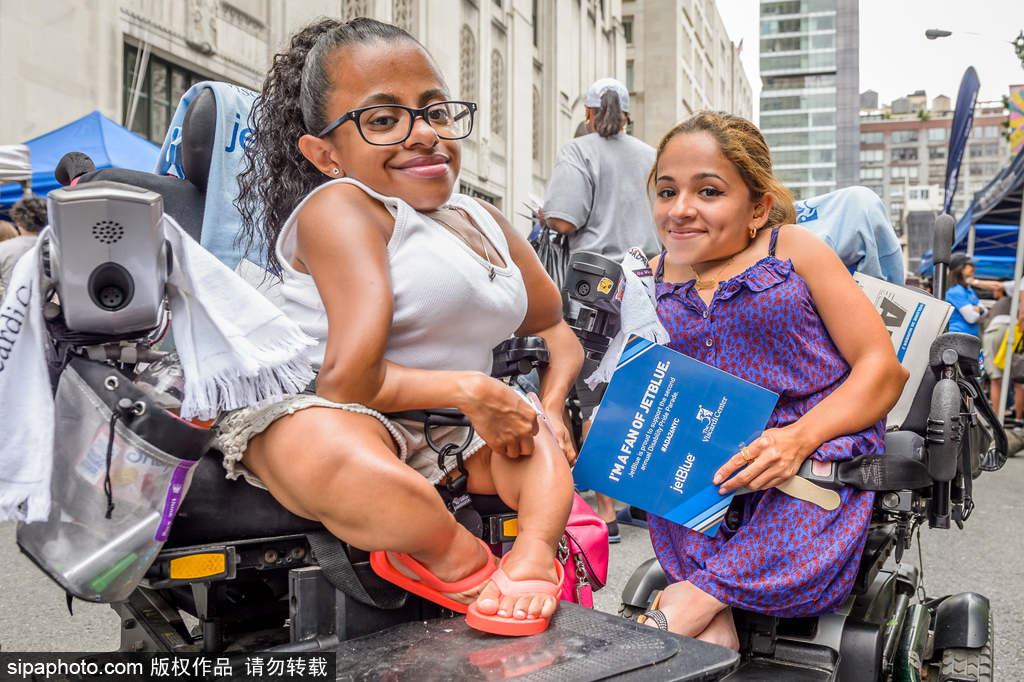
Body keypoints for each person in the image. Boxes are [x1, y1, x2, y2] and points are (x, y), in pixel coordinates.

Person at [229, 17, 581, 634]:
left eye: (436, 112)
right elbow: (346, 381)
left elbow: (547, 315)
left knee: (535, 447)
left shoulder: (479, 215)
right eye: (384, 119)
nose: (424, 135)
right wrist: (476, 390)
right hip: (330, 411)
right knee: (326, 452)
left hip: (450, 430)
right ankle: (457, 559)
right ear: (325, 154)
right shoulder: (342, 207)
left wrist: (539, 402)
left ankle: (532, 558)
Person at [637, 111, 908, 648]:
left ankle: (660, 625)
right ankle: (699, 623)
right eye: (667, 191)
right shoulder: (649, 275)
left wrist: (796, 438)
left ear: (758, 206)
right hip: (702, 477)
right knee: (707, 625)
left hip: (814, 459)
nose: (681, 209)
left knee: (697, 596)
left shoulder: (794, 252)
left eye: (708, 191)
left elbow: (882, 369)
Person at [541, 78, 661, 542]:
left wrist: (544, 217)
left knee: (594, 394)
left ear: (590, 113)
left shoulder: (579, 149)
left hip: (596, 285)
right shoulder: (651, 154)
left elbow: (563, 218)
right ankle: (643, 503)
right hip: (647, 281)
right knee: (642, 389)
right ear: (627, 115)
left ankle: (606, 514)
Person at [0, 197, 47, 300]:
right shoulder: (58, 247)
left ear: (19, 222)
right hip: (53, 310)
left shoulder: (3, 249)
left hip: (12, 310)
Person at [945, 253, 988, 336]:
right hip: (957, 337)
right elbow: (971, 318)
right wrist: (980, 310)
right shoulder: (955, 291)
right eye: (970, 265)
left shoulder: (968, 290)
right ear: (961, 267)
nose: (974, 268)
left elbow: (985, 313)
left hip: (967, 338)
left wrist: (979, 310)